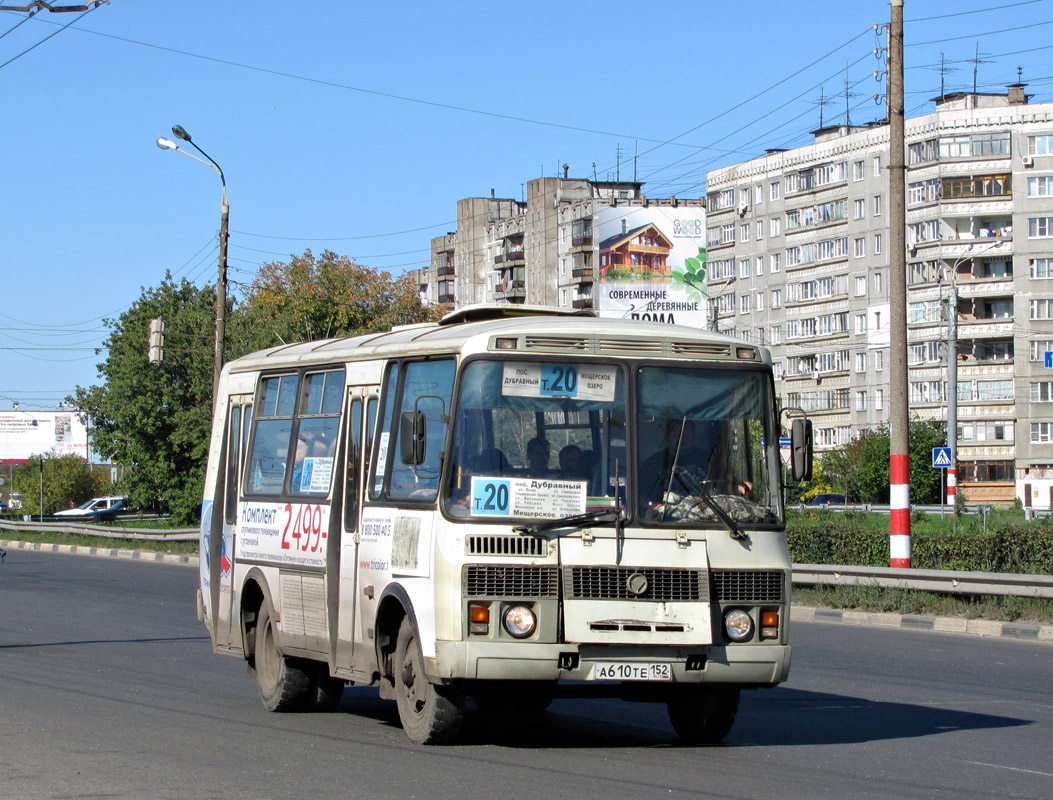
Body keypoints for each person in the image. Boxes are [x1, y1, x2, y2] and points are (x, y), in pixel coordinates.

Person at [641, 419, 751, 515]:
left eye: (685, 436)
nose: (681, 439)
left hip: (704, 516)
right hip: (667, 519)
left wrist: (742, 486)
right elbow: (639, 497)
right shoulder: (653, 463)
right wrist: (657, 506)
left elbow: (728, 481)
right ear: (668, 436)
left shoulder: (708, 460)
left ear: (693, 436)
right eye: (676, 435)